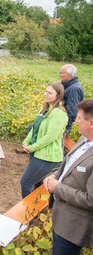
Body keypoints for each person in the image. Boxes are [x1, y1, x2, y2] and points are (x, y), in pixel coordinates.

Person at [44, 99, 93, 255]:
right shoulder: (83, 140)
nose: (76, 121)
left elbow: (90, 200)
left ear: (91, 123)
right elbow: (70, 166)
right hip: (61, 217)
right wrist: (55, 176)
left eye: (79, 118)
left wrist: (58, 187)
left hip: (73, 226)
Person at [20, 82, 68, 198]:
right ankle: (39, 209)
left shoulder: (59, 114)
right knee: (37, 182)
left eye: (50, 93)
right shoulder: (45, 109)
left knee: (25, 182)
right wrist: (26, 142)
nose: (46, 94)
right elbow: (35, 128)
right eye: (46, 91)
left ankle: (29, 210)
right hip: (37, 152)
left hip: (47, 157)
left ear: (58, 96)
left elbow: (50, 137)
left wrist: (32, 147)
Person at [59, 64, 84, 136]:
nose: (59, 74)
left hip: (64, 124)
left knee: (58, 142)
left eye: (61, 73)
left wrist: (63, 125)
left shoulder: (74, 89)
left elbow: (72, 111)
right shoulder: (68, 85)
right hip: (60, 120)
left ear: (68, 75)